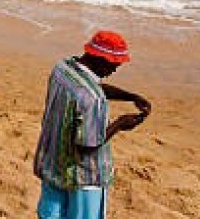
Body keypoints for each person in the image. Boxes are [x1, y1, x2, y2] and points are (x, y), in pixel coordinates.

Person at [33, 31, 152, 219]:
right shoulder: (92, 99)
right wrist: (120, 124)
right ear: (101, 59)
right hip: (83, 177)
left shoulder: (62, 69)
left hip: (54, 161)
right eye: (114, 64)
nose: (115, 69)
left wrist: (129, 96)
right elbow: (87, 145)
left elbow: (94, 86)